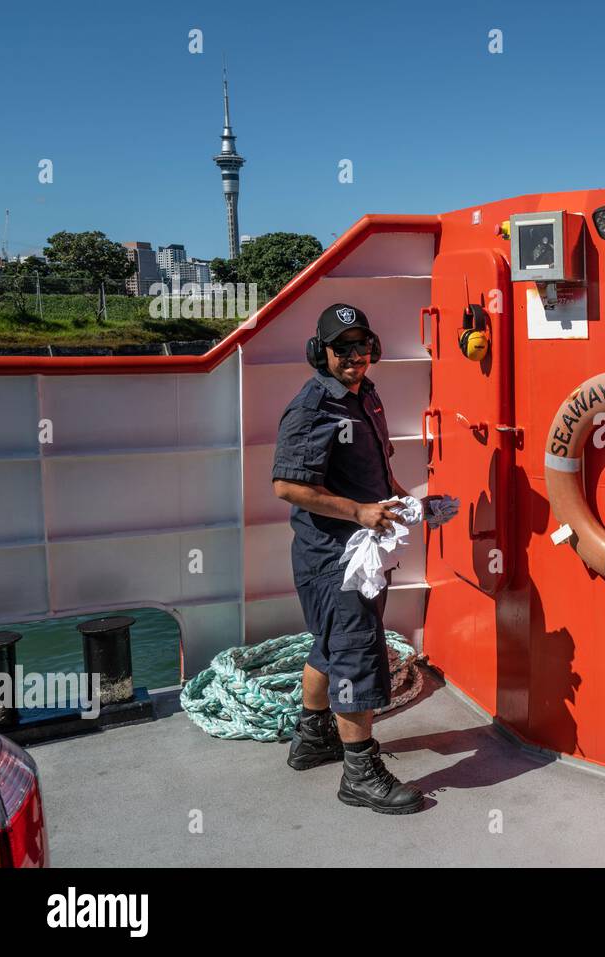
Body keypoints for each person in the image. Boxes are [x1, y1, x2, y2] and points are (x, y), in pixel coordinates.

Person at [271, 303, 427, 814]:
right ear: (322, 352)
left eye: (362, 346)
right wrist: (359, 512)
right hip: (333, 557)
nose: (355, 356)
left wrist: (401, 499)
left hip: (362, 548)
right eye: (343, 348)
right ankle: (359, 773)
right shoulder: (313, 407)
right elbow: (287, 485)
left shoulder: (366, 395)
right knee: (357, 654)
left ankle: (313, 739)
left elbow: (373, 471)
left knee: (332, 644)